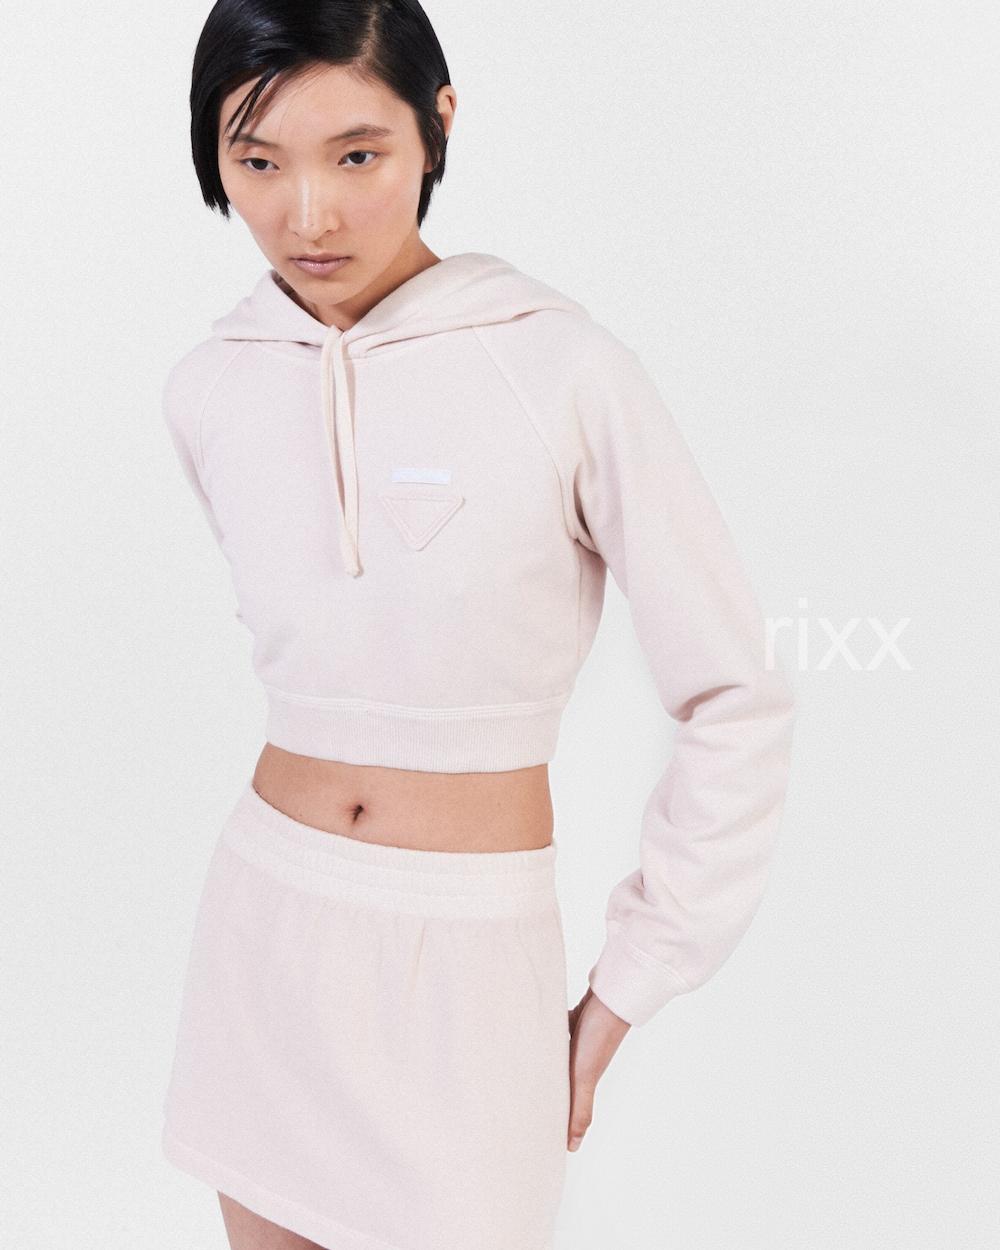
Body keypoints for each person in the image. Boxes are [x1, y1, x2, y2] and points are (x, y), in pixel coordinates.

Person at [160, 3, 797, 1248]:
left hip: (468, 959)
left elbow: (735, 691)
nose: (308, 215)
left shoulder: (561, 369)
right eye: (258, 162)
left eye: (356, 154)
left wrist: (631, 979)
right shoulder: (208, 387)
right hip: (265, 932)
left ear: (436, 124)